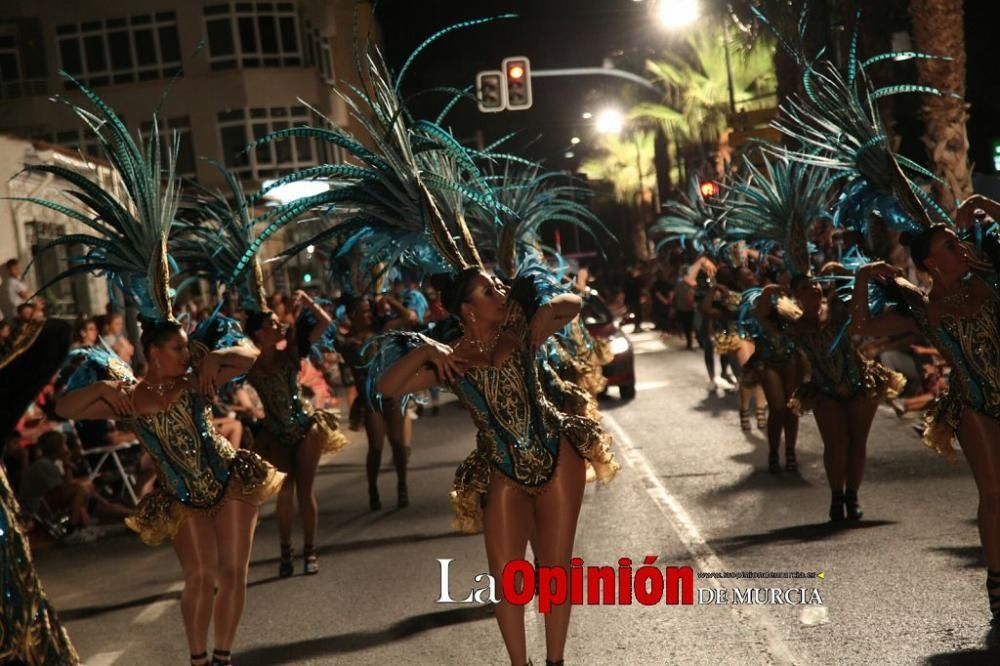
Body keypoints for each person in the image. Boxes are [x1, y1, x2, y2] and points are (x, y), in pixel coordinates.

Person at [376, 268, 618, 666]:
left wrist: (546, 311)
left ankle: (555, 661)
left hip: (556, 452)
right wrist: (425, 348)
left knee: (554, 569)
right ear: (469, 309)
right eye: (490, 291)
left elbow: (573, 302)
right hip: (501, 465)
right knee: (507, 577)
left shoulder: (522, 326)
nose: (502, 293)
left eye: (500, 286)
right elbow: (388, 387)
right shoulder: (451, 359)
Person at [56, 319, 282, 666]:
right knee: (199, 577)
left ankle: (222, 657)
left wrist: (215, 355)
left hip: (229, 480)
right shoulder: (127, 397)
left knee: (234, 572)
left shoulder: (196, 379)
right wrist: (101, 387)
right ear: (155, 353)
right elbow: (63, 408)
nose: (186, 355)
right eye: (179, 348)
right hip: (181, 495)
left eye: (188, 348)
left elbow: (251, 354)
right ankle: (198, 660)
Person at [850, 208, 1000, 626]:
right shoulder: (922, 306)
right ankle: (998, 588)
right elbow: (862, 324)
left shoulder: (990, 280)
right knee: (993, 497)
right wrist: (863, 278)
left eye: (959, 239)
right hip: (973, 405)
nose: (961, 246)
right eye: (950, 244)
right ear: (932, 263)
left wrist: (987, 206)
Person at [759, 272, 904, 521]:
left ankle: (852, 496)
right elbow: (763, 318)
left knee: (857, 443)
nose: (814, 288)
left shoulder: (838, 308)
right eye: (806, 287)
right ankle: (837, 497)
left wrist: (859, 274)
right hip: (825, 390)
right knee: (835, 445)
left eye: (815, 283)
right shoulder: (795, 325)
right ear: (797, 296)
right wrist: (767, 293)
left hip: (860, 384)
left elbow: (862, 296)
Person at [244, 289, 348, 578]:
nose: (278, 326)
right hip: (275, 433)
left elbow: (325, 322)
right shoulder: (248, 366)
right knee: (284, 490)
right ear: (257, 334)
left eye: (278, 322)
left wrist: (307, 301)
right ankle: (286, 552)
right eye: (271, 325)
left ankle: (310, 551)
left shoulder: (289, 351)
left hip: (306, 428)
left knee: (304, 490)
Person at [18, 430, 132, 529]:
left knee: (85, 485)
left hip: (50, 504)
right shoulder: (43, 465)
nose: (67, 448)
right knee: (79, 488)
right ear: (58, 448)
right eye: (64, 445)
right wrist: (67, 465)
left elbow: (66, 488)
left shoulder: (50, 463)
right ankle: (73, 527)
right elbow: (65, 490)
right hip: (38, 510)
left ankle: (114, 508)